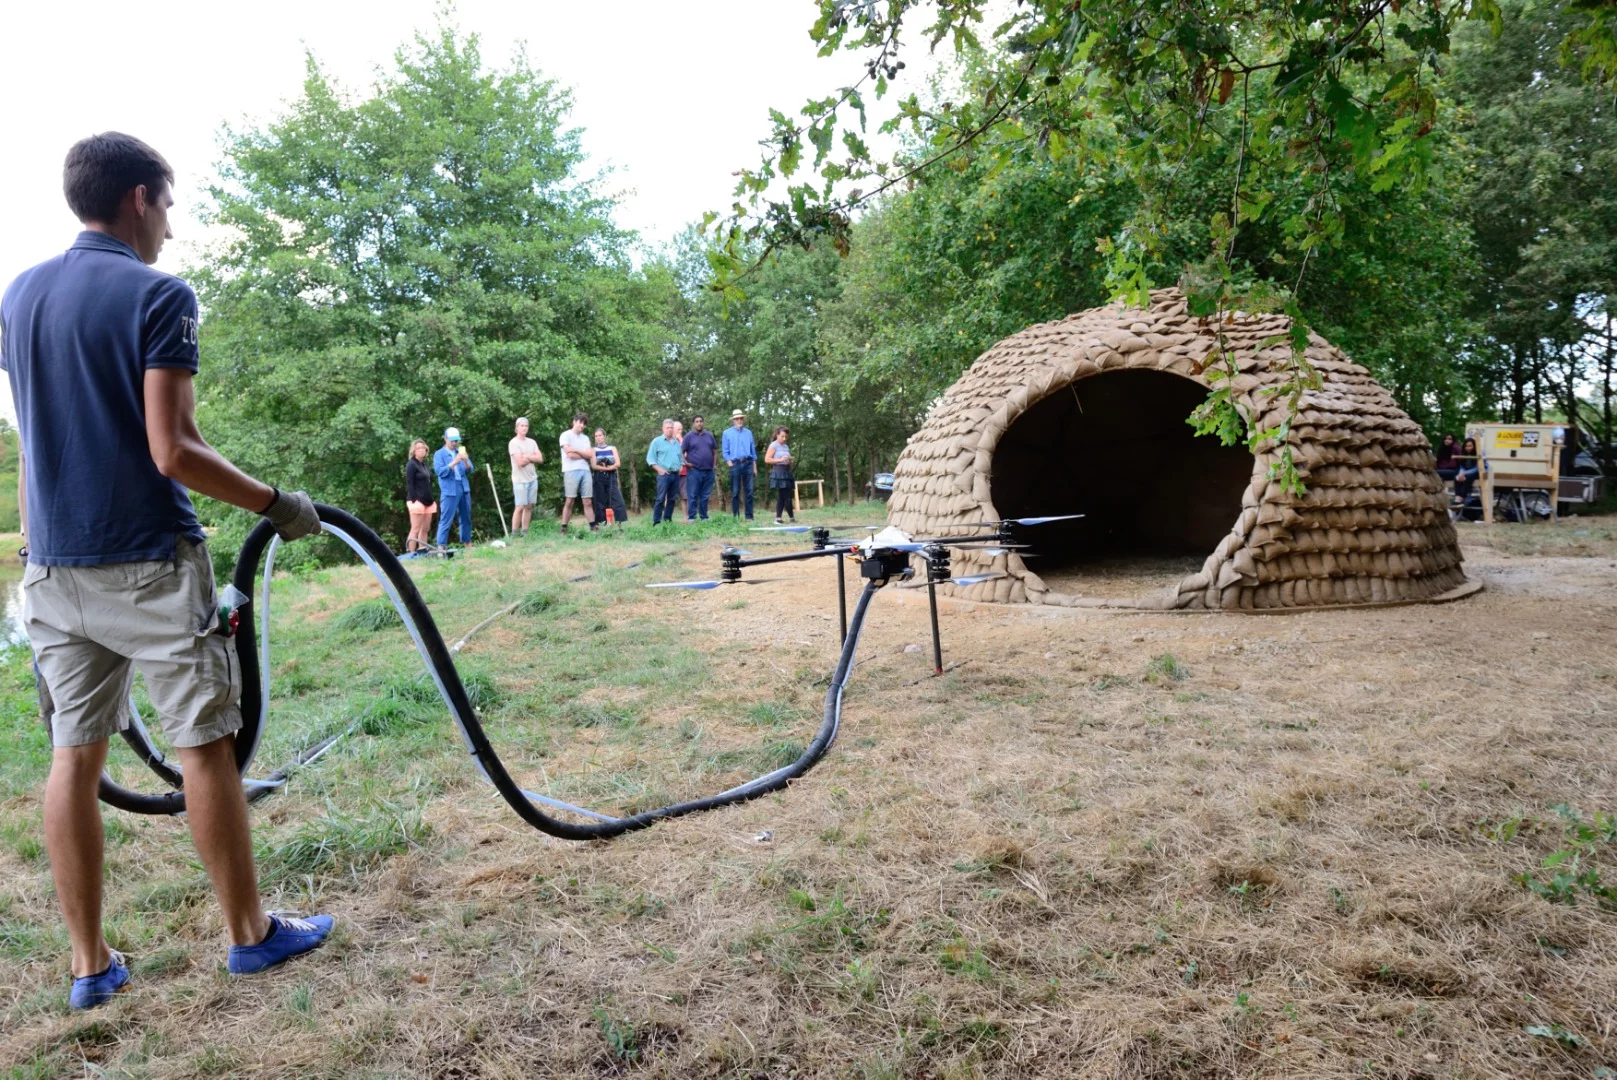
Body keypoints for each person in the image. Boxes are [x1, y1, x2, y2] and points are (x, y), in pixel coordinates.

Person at [0, 132, 331, 1010]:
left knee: (74, 757)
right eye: (170, 205)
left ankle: (88, 966)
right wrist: (277, 505)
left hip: (53, 571)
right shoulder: (158, 293)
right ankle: (250, 937)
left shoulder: (19, 295)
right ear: (140, 198)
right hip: (146, 563)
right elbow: (173, 448)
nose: (173, 229)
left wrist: (36, 551)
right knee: (205, 747)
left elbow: (37, 441)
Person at [433, 428, 474, 546]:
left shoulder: (460, 451)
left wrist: (465, 461)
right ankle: (441, 548)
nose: (454, 443)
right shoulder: (439, 454)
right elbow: (440, 471)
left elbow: (470, 469)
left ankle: (468, 544)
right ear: (445, 439)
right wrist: (455, 462)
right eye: (452, 440)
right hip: (449, 489)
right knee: (446, 519)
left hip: (463, 487)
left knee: (466, 518)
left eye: (456, 440)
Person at [558, 412, 596, 533]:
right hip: (570, 470)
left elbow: (590, 454)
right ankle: (564, 528)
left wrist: (576, 450)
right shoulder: (565, 435)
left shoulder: (585, 438)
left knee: (588, 501)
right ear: (574, 422)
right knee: (570, 500)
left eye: (584, 424)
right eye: (580, 422)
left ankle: (593, 527)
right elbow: (569, 455)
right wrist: (583, 454)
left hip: (585, 470)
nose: (582, 425)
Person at [507, 417, 543, 537]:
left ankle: (525, 532)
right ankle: (514, 533)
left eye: (526, 426)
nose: (524, 428)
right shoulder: (513, 443)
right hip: (519, 480)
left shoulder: (532, 442)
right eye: (522, 426)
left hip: (532, 478)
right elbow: (520, 462)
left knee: (529, 506)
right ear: (516, 428)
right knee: (520, 506)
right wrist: (532, 457)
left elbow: (540, 458)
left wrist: (526, 456)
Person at [682, 414, 719, 521]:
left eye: (701, 421)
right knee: (692, 494)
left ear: (703, 423)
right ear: (693, 424)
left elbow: (715, 451)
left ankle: (704, 517)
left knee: (705, 495)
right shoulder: (688, 436)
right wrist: (685, 463)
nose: (699, 423)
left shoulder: (709, 435)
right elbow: (681, 452)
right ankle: (692, 517)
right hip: (694, 470)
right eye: (697, 421)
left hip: (708, 471)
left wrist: (714, 465)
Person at [722, 409, 758, 520]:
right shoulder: (727, 433)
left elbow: (753, 451)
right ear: (733, 420)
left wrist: (754, 466)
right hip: (735, 464)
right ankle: (735, 517)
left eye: (741, 418)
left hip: (748, 463)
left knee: (749, 492)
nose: (739, 420)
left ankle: (749, 516)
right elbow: (725, 450)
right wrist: (729, 463)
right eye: (737, 418)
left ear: (743, 419)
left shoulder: (748, 433)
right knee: (735, 492)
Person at [646, 419, 683, 525]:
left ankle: (667, 520)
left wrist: (681, 466)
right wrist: (659, 470)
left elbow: (680, 457)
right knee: (660, 499)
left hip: (675, 475)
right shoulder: (657, 441)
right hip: (664, 475)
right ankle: (657, 522)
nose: (670, 430)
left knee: (672, 499)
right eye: (667, 428)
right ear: (663, 428)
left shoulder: (676, 443)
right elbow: (650, 459)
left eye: (671, 428)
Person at [590, 428, 628, 527]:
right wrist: (609, 468)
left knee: (617, 500)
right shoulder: (593, 450)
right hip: (599, 477)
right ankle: (601, 525)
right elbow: (594, 466)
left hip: (611, 477)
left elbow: (618, 463)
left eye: (600, 435)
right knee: (599, 502)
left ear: (604, 436)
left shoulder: (612, 448)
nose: (598, 438)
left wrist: (608, 467)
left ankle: (619, 524)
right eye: (596, 436)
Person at [404, 439, 437, 552]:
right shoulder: (411, 464)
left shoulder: (425, 465)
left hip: (428, 501)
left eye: (423, 448)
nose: (421, 450)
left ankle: (422, 551)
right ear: (414, 451)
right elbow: (410, 483)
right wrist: (414, 500)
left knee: (425, 529)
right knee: (415, 528)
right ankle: (410, 554)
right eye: (418, 448)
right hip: (416, 501)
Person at [765, 426, 797, 524]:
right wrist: (780, 460)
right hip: (778, 473)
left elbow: (786, 459)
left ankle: (780, 518)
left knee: (783, 496)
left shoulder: (786, 446)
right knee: (785, 495)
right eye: (782, 436)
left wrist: (790, 460)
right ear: (777, 435)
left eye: (786, 437)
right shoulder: (773, 445)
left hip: (786, 472)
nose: (784, 439)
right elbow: (767, 459)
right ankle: (789, 517)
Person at [1453, 436, 1481, 504]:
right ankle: (1457, 497)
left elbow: (1476, 468)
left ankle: (1462, 497)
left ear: (1474, 446)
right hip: (1465, 472)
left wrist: (1465, 473)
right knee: (1457, 477)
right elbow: (1462, 467)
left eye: (1470, 446)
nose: (1468, 448)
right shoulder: (1463, 454)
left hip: (1476, 472)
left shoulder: (1479, 453)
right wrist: (1461, 474)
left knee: (1469, 477)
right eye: (1466, 446)